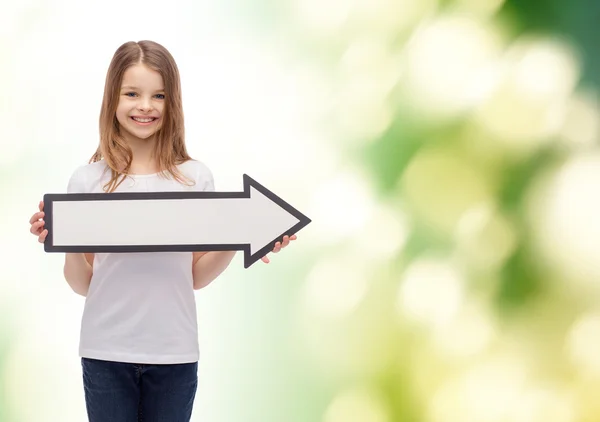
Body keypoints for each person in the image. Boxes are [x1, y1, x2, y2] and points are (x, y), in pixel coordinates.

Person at [28, 40, 296, 422]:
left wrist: (241, 235)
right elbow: (82, 283)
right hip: (105, 351)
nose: (145, 105)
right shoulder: (88, 180)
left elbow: (195, 277)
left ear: (172, 103)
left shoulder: (195, 179)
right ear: (112, 99)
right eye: (132, 93)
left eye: (159, 95)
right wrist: (65, 237)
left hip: (175, 353)